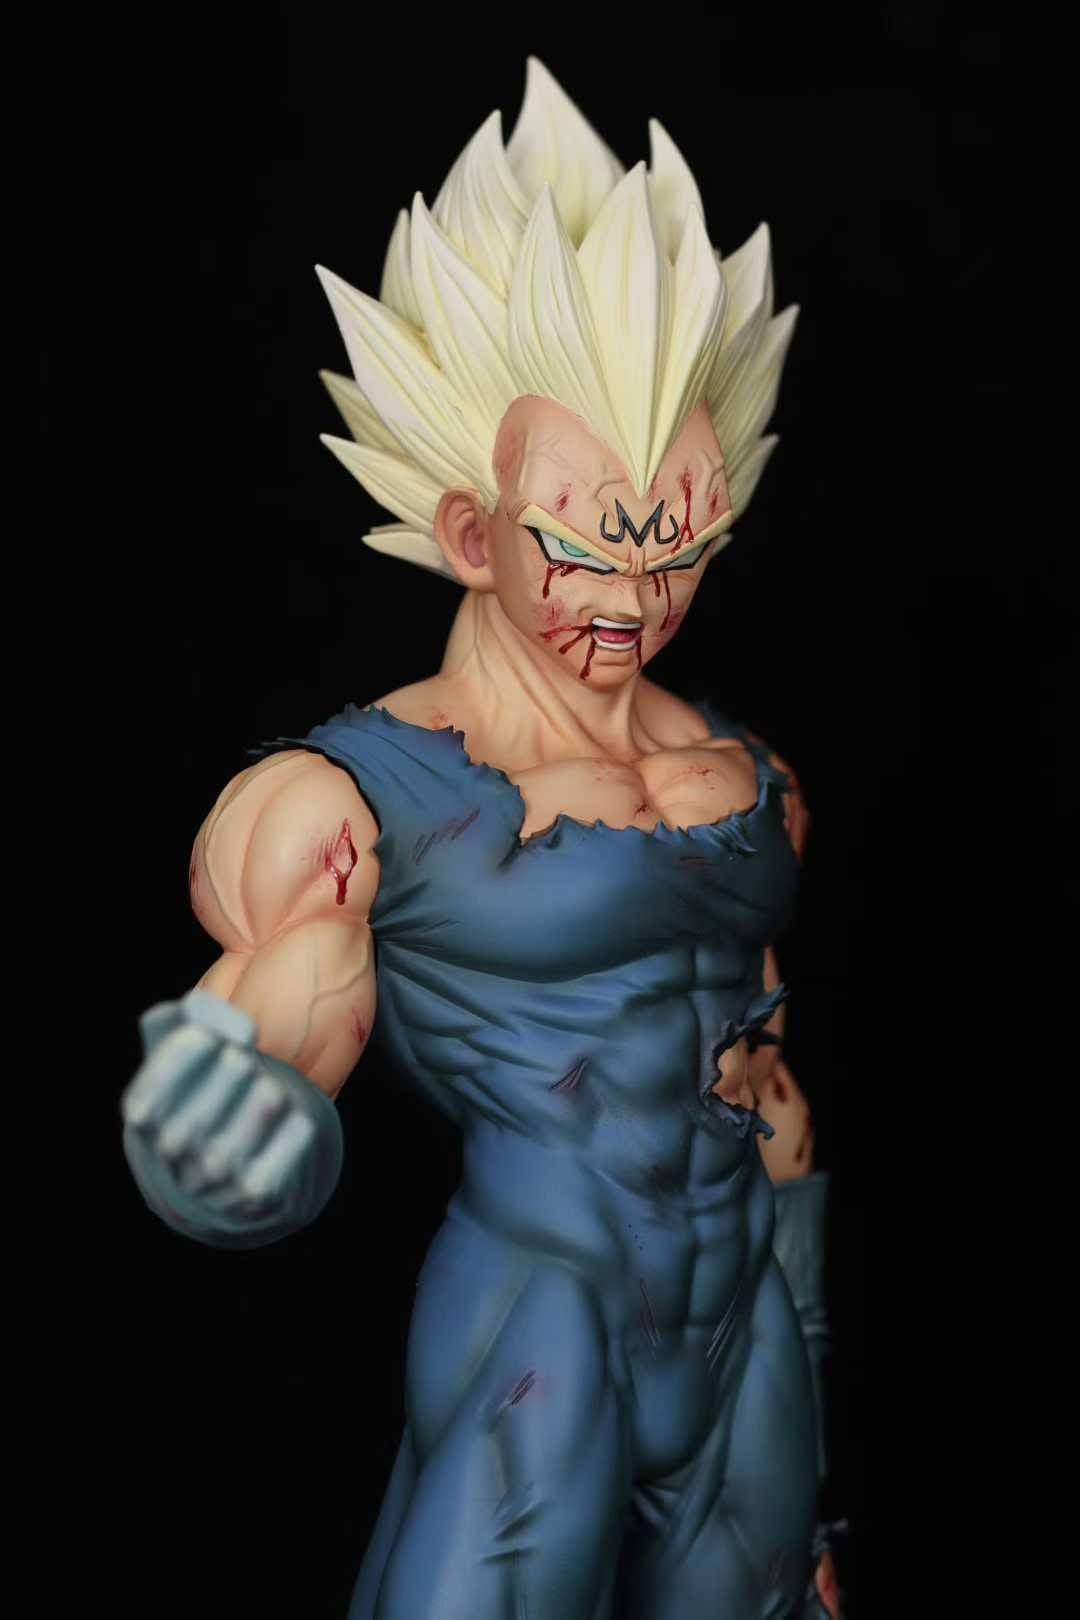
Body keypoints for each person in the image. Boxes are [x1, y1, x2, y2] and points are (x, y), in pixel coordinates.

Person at [121, 58, 839, 1620]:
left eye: (679, 547)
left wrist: (814, 1475)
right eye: (587, 549)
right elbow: (276, 1008)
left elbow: (771, 1102)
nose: (636, 601)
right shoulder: (358, 796)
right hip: (544, 1329)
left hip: (743, 1353)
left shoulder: (748, 779)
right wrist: (219, 1131)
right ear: (470, 532)